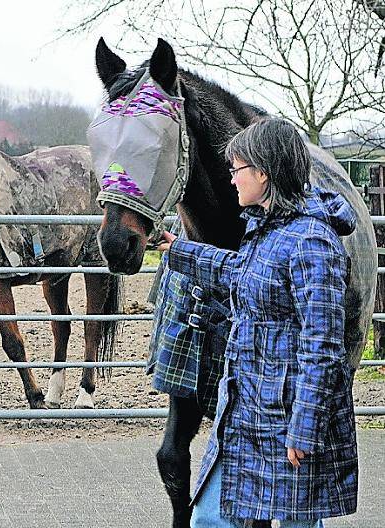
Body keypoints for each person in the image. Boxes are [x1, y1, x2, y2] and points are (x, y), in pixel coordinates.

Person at [157, 118, 358, 527]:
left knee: (297, 522)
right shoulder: (270, 230)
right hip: (248, 411)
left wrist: (305, 425)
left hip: (288, 422)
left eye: (238, 169)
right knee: (212, 519)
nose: (231, 179)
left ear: (263, 173)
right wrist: (178, 250)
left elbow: (323, 344)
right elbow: (241, 273)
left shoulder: (312, 242)